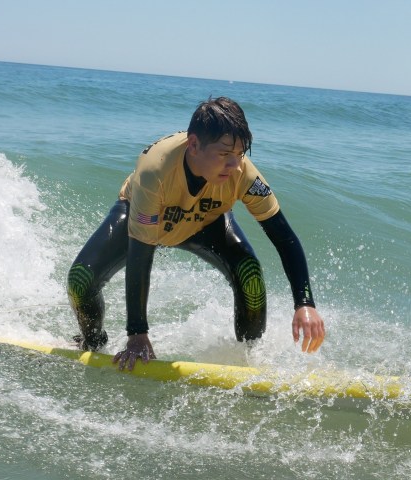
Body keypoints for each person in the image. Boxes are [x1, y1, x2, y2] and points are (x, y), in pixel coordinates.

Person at [67, 96, 325, 370]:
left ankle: (249, 361)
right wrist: (137, 334)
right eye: (225, 154)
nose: (235, 165)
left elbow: (284, 238)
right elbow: (141, 252)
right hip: (145, 218)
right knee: (80, 282)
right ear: (194, 145)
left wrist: (305, 303)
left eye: (240, 154)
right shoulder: (155, 170)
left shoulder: (244, 175)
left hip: (205, 222)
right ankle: (92, 343)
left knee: (249, 274)